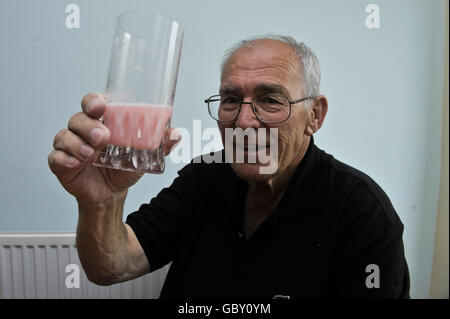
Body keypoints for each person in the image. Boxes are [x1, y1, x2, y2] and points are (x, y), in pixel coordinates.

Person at [48, 35, 410, 298]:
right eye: (231, 100)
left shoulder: (361, 211)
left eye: (270, 100)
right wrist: (102, 201)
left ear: (313, 116)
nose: (244, 122)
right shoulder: (204, 178)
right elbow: (111, 267)